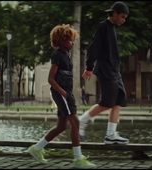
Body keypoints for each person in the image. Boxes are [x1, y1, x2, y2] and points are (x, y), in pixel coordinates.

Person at [27, 24, 96, 169]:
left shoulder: (66, 55)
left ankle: (37, 148)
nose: (72, 43)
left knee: (61, 126)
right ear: (61, 40)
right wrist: (63, 93)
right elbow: (51, 79)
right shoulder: (58, 55)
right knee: (75, 122)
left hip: (66, 92)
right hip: (61, 93)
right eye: (70, 40)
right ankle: (78, 159)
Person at [78, 1, 130, 144]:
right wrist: (89, 67)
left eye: (125, 18)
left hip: (114, 71)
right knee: (107, 102)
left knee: (119, 99)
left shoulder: (112, 28)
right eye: (122, 17)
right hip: (106, 70)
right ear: (114, 13)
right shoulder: (103, 27)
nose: (123, 20)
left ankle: (110, 134)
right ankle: (81, 121)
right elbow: (94, 48)